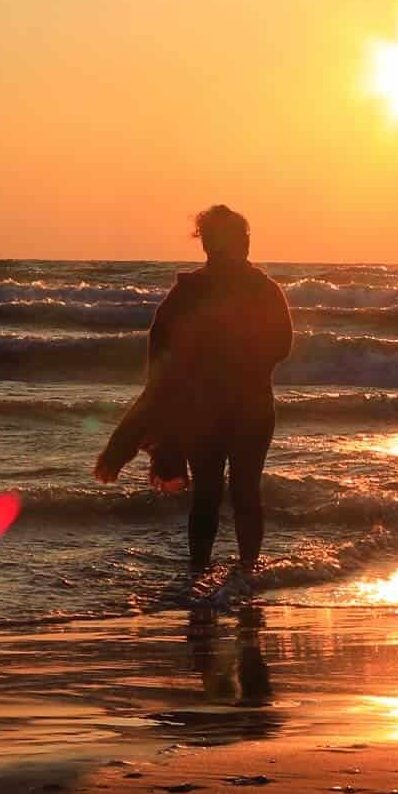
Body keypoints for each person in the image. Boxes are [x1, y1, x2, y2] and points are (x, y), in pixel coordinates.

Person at [95, 205, 293, 573]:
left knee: (216, 495)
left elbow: (160, 371)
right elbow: (281, 346)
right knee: (240, 493)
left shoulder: (193, 294)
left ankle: (206, 578)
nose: (244, 245)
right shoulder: (256, 290)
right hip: (237, 410)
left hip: (225, 411)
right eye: (238, 239)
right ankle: (235, 576)